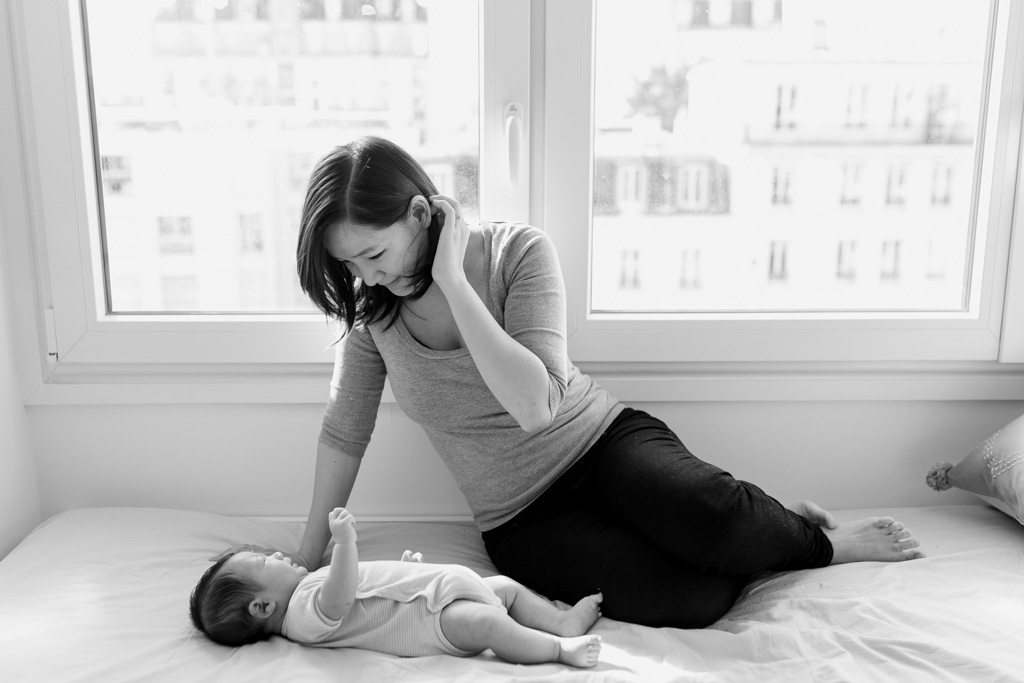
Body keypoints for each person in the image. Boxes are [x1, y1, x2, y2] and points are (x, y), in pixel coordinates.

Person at [231, 135, 924, 628]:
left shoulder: (518, 253)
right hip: (522, 516)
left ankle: (816, 540)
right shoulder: (373, 319)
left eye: (375, 254)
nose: (369, 278)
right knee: (689, 599)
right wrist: (310, 555)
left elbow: (537, 404)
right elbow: (343, 433)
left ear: (422, 213)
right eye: (352, 267)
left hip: (601, 444)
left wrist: (450, 280)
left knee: (710, 515)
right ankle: (763, 532)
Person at [191, 507, 604, 668]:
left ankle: (561, 620)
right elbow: (339, 597)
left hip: (435, 589)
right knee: (486, 623)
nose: (277, 555)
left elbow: (368, 588)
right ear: (262, 607)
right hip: (434, 623)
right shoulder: (300, 618)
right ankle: (555, 649)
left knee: (503, 589)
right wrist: (346, 544)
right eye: (265, 562)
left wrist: (401, 572)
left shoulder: (303, 593)